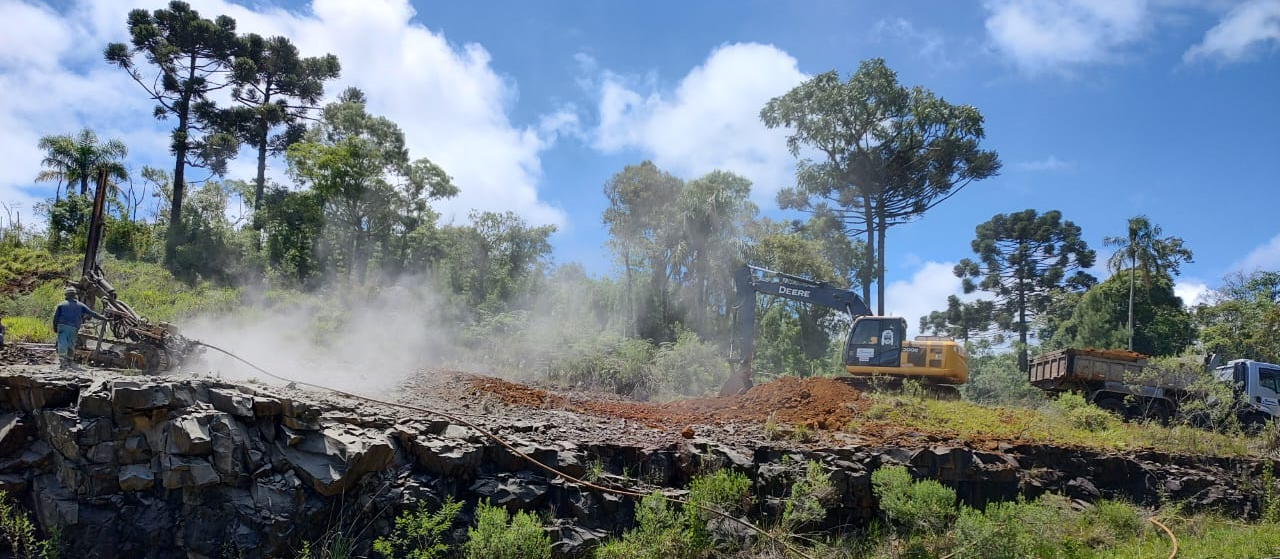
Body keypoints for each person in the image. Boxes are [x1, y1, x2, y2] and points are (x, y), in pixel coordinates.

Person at [52, 287, 105, 370]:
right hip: (74, 328)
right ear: (75, 295)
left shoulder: (61, 305)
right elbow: (92, 313)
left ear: (66, 295)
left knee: (62, 342)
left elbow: (55, 318)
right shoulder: (80, 305)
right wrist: (103, 318)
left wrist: (55, 328)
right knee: (71, 344)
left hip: (62, 326)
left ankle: (63, 361)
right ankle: (70, 361)